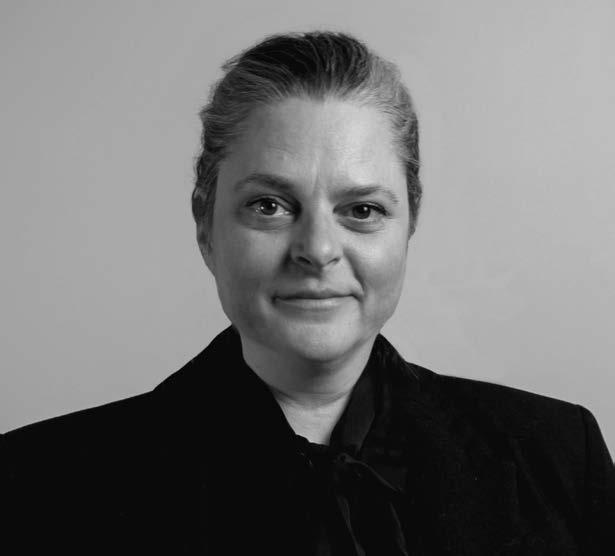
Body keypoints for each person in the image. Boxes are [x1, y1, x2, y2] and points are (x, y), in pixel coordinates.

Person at [2, 31, 614, 555]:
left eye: (362, 209)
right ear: (205, 226)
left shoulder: (560, 456)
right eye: (269, 205)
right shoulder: (33, 485)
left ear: (409, 224)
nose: (317, 249)